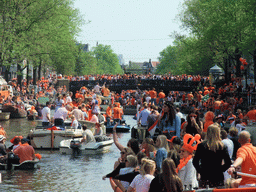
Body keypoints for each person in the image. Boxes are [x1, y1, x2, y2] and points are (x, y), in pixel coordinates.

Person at [193, 124, 232, 188]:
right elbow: (228, 162)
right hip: (218, 176)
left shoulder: (201, 145)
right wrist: (220, 169)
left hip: (205, 175)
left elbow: (195, 161)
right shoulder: (222, 146)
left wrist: (201, 171)